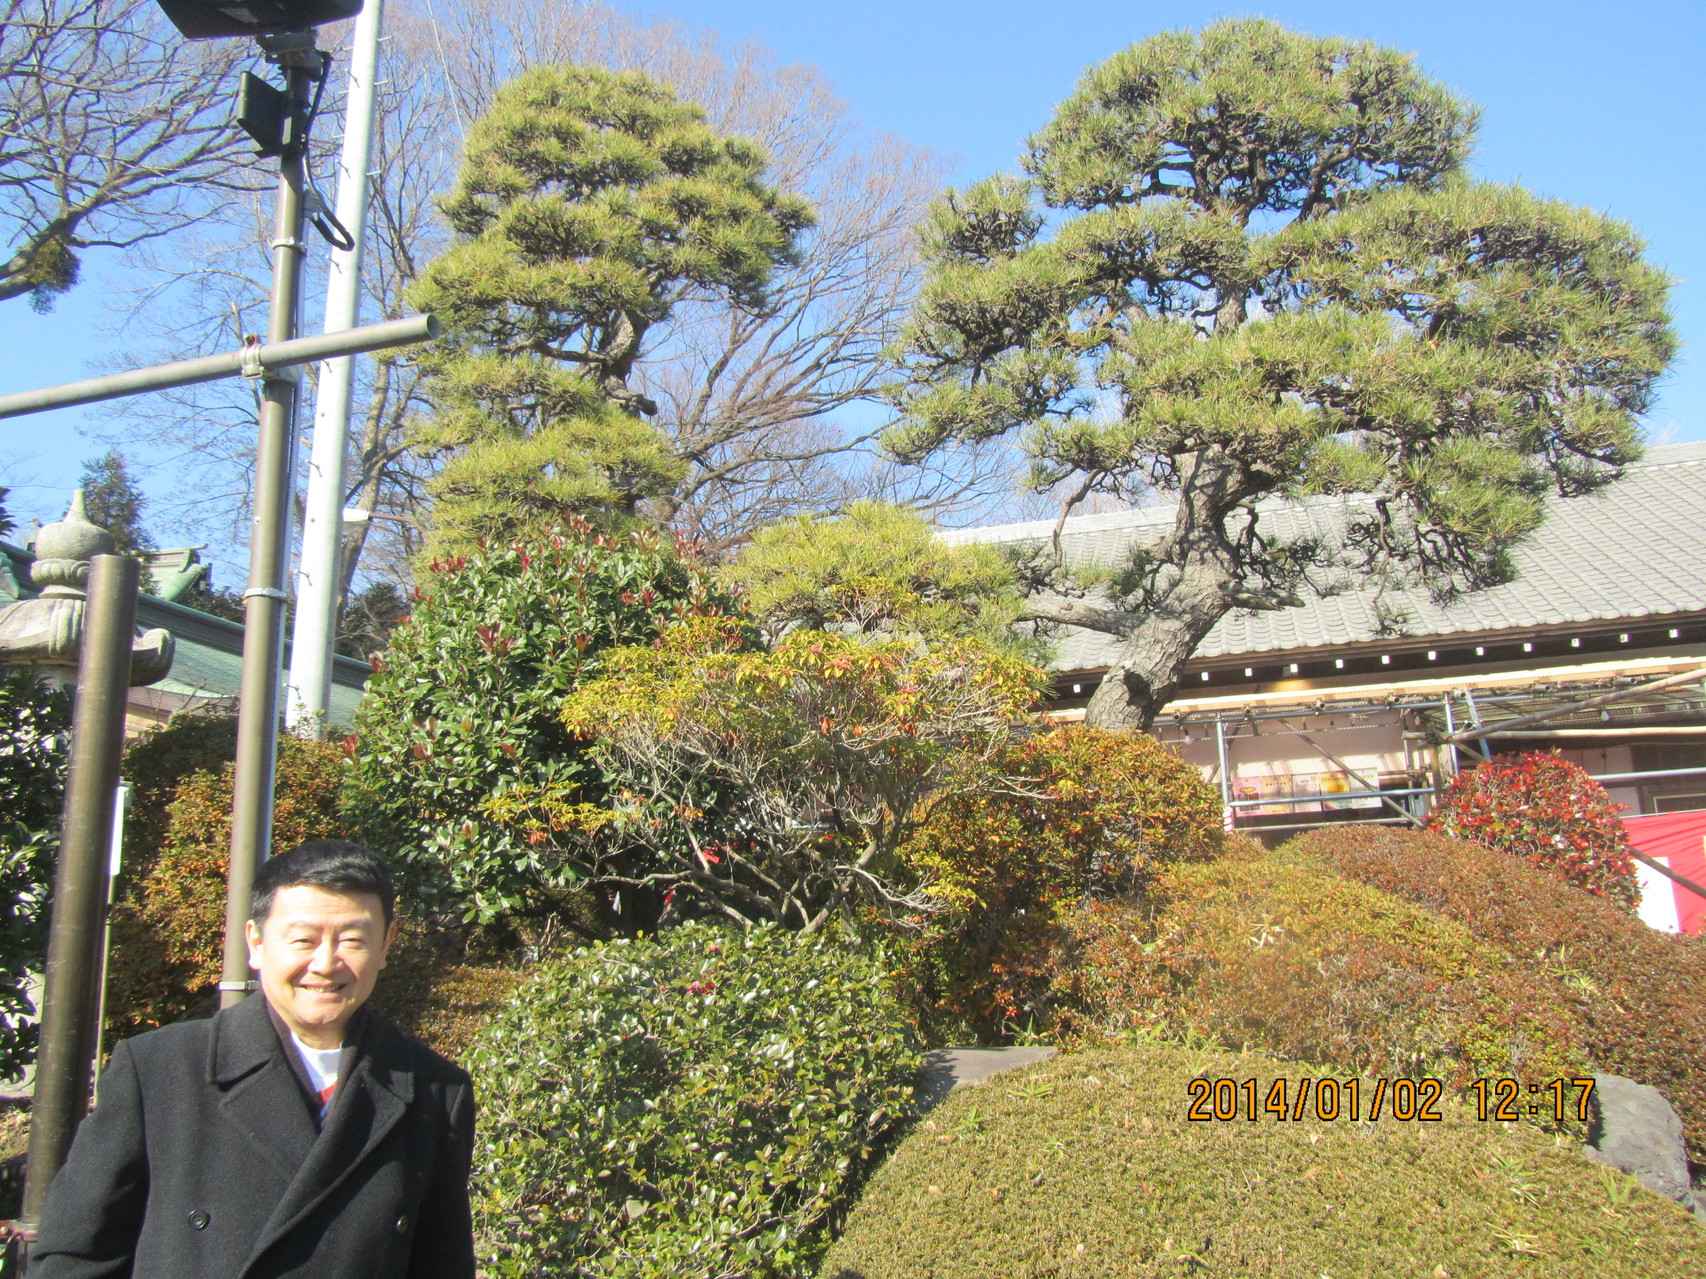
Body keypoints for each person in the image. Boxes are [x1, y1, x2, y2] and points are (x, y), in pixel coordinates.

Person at [29, 840, 476, 1279]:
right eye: (303, 939)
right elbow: (77, 1256)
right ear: (257, 943)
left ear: (385, 945)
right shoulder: (159, 1071)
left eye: (352, 940)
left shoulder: (433, 1090)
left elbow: (442, 1262)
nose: (325, 963)